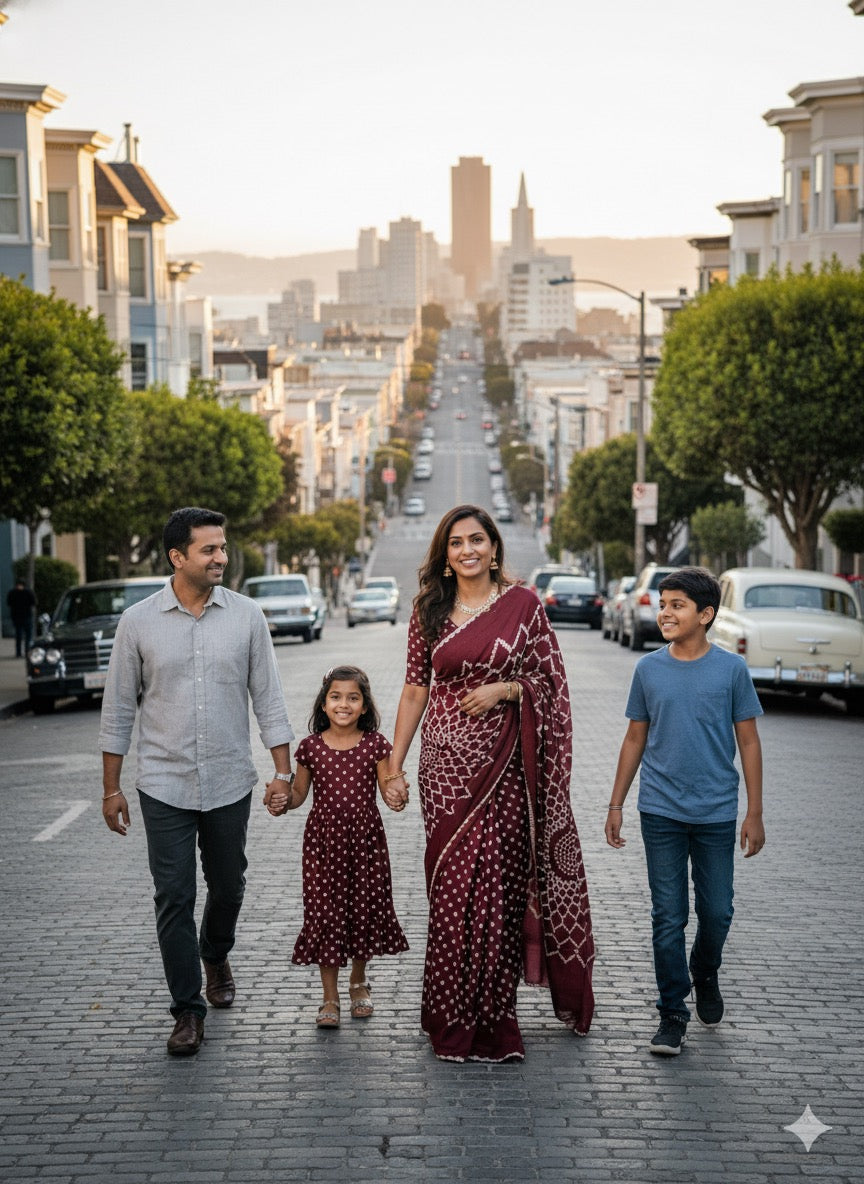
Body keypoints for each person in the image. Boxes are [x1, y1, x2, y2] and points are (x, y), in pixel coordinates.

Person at [387, 505, 594, 1063]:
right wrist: (394, 762)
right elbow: (413, 690)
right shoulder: (428, 610)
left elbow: (550, 681)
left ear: (494, 547)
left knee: (498, 894)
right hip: (445, 770)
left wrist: (507, 690)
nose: (468, 549)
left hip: (505, 770)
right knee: (452, 891)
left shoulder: (524, 605)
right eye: (456, 543)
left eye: (477, 539)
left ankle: (494, 1021)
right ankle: (450, 1016)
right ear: (446, 556)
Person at [98, 507, 295, 1057]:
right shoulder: (138, 622)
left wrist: (283, 772)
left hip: (231, 778)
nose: (221, 558)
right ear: (177, 557)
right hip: (163, 782)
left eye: (222, 547)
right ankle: (187, 1010)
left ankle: (216, 951)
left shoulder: (247, 617)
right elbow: (118, 711)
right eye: (209, 550)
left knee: (229, 885)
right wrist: (111, 788)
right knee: (174, 895)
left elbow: (270, 701)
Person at [605, 566, 765, 1057]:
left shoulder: (731, 671)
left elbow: (749, 741)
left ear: (706, 614)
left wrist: (754, 812)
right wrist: (616, 803)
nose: (665, 612)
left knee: (717, 912)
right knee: (667, 916)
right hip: (661, 811)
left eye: (677, 604)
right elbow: (635, 737)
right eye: (663, 603)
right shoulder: (648, 669)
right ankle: (672, 1013)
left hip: (717, 813)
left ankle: (705, 971)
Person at [266, 665, 408, 1029]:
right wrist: (282, 799)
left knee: (363, 909)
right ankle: (329, 996)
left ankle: (358, 982)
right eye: (336, 697)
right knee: (324, 914)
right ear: (324, 703)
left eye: (352, 697)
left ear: (364, 706)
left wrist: (395, 795)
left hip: (365, 843)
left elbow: (388, 786)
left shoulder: (375, 744)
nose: (344, 704)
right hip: (323, 846)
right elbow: (299, 794)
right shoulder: (310, 747)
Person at [7, 578, 36, 658]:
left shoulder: (12, 592)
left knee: (18, 635)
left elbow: (9, 603)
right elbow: (33, 602)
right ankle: (27, 652)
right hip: (27, 616)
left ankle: (18, 652)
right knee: (28, 636)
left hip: (16, 617)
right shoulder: (28, 592)